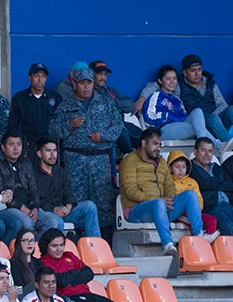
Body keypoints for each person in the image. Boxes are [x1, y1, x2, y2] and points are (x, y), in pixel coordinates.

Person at [48, 66, 123, 230]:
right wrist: (70, 125)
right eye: (82, 83)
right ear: (75, 84)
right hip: (75, 160)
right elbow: (53, 131)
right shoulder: (65, 106)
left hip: (99, 159)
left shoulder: (105, 103)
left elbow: (118, 126)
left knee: (103, 201)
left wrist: (103, 136)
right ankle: (78, 241)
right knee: (77, 200)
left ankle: (103, 243)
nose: (86, 86)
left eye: (89, 83)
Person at [120, 128, 208, 255]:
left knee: (190, 194)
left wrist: (169, 199)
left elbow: (170, 186)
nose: (158, 148)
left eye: (160, 145)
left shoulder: (161, 162)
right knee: (158, 203)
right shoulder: (129, 161)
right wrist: (158, 200)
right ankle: (167, 244)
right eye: (155, 144)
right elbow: (130, 191)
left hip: (162, 208)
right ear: (144, 144)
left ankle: (198, 235)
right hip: (136, 210)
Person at [32, 137, 103, 237]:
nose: (53, 155)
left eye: (55, 151)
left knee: (89, 206)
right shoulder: (33, 173)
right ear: (39, 154)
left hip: (62, 211)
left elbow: (69, 193)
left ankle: (95, 246)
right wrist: (53, 209)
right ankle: (53, 250)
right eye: (48, 151)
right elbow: (34, 199)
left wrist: (68, 207)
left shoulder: (60, 171)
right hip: (44, 212)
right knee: (57, 221)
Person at [143, 65, 221, 146]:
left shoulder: (177, 100)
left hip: (181, 127)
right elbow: (148, 117)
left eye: (174, 78)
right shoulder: (156, 95)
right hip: (164, 129)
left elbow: (184, 117)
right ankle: (214, 145)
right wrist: (165, 116)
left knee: (197, 111)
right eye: (168, 79)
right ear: (160, 80)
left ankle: (209, 145)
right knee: (196, 127)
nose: (172, 82)